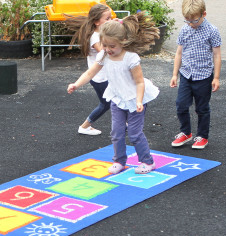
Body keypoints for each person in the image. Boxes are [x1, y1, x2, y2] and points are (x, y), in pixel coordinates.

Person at [67, 12, 160, 174]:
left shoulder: (131, 58)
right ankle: (119, 161)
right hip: (117, 98)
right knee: (116, 132)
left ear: (123, 42)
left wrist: (139, 101)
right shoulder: (104, 55)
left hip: (134, 99)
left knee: (134, 133)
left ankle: (147, 161)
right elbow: (90, 73)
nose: (108, 49)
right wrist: (76, 84)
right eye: (105, 45)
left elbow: (139, 82)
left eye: (112, 46)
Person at [170, 0, 222, 149]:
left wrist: (216, 77)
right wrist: (175, 74)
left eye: (194, 20)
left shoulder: (212, 30)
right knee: (181, 105)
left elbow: (217, 55)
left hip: (204, 76)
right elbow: (179, 53)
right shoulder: (185, 29)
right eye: (187, 20)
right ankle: (186, 132)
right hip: (186, 74)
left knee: (202, 108)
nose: (190, 23)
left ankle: (202, 136)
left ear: (203, 14)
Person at [66, 4, 112, 136]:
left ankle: (125, 123)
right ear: (97, 22)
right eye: (107, 19)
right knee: (106, 104)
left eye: (110, 18)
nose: (110, 21)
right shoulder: (95, 37)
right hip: (100, 78)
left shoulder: (100, 33)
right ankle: (85, 126)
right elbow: (105, 52)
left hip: (103, 76)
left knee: (114, 100)